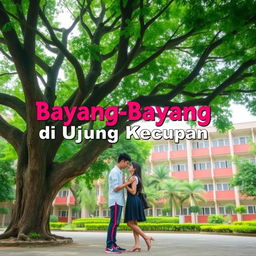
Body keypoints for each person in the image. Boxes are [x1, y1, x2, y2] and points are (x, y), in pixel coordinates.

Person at [105, 153, 133, 254]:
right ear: (122, 161)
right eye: (126, 163)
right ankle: (109, 246)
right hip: (115, 201)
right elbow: (116, 188)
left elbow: (121, 185)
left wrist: (126, 182)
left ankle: (114, 244)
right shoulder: (114, 172)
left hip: (120, 201)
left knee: (116, 224)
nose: (127, 165)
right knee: (113, 224)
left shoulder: (120, 172)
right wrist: (127, 183)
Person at [124, 162, 154, 252]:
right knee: (134, 223)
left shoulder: (133, 177)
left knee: (130, 223)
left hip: (133, 200)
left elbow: (133, 191)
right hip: (136, 200)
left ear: (134, 169)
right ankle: (137, 245)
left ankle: (146, 237)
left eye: (131, 166)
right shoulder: (137, 177)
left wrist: (125, 185)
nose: (129, 166)